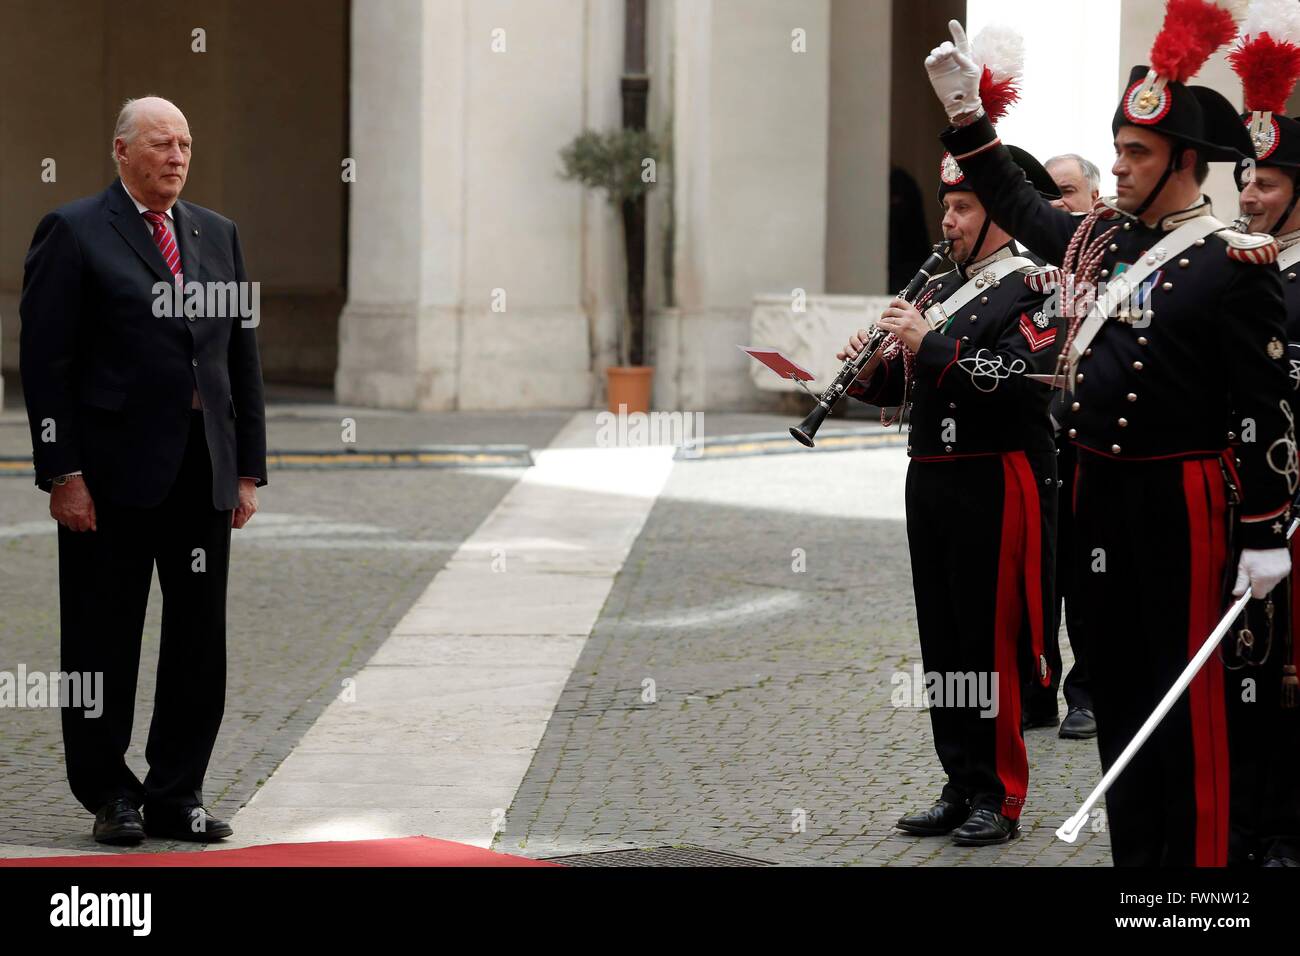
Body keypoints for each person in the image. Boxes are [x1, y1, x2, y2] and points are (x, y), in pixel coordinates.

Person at [925, 2, 1295, 866]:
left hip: (1187, 500)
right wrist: (965, 115)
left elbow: (1263, 408)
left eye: (1138, 154)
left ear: (1186, 162)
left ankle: (1198, 889)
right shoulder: (1096, 243)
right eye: (1119, 150)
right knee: (1124, 697)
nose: (1121, 168)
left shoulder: (1232, 262)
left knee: (1188, 706)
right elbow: (1012, 198)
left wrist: (1264, 528)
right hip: (1099, 496)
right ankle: (1140, 873)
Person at [19, 95, 267, 845]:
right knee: (102, 639)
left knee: (199, 640)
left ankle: (176, 793)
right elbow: (46, 363)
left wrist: (247, 468)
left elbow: (238, 359)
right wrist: (63, 472)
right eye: (162, 143)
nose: (177, 156)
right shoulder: (75, 231)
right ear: (121, 151)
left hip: (202, 472)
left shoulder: (217, 234)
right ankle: (108, 793)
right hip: (109, 477)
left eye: (185, 144)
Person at [843, 25, 1065, 846]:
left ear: (1003, 214)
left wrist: (925, 343)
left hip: (995, 476)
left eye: (966, 204)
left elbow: (1011, 380)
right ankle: (957, 776)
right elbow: (917, 385)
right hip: (931, 476)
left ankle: (1000, 794)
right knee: (943, 637)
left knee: (988, 639)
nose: (951, 218)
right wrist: (866, 370)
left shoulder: (1032, 286)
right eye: (948, 203)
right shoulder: (948, 287)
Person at [1226, 1, 1300, 867]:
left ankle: (1283, 828)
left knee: (1288, 680)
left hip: (1293, 506)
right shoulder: (1232, 264)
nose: (1249, 192)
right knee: (1240, 671)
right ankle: (1240, 824)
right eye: (1245, 177)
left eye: (1268, 183)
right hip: (1233, 502)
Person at [1020, 152, 1105, 741]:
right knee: (1038, 576)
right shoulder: (1023, 277)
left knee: (1090, 576)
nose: (1056, 202)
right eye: (1046, 193)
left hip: (1091, 447)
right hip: (1033, 446)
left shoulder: (1113, 265)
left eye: (1067, 191)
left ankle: (1090, 693)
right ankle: (1037, 689)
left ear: (1094, 200)